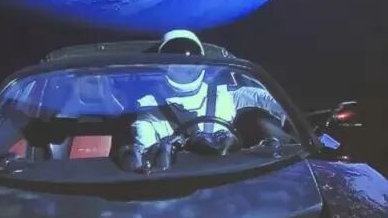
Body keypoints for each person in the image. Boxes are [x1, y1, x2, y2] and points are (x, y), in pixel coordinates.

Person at [115, 29, 289, 173]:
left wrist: (285, 114)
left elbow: (263, 98)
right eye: (178, 64)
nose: (185, 69)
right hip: (181, 179)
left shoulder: (224, 93)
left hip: (229, 172)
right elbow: (144, 144)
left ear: (201, 63)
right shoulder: (149, 104)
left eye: (190, 63)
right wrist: (154, 152)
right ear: (164, 65)